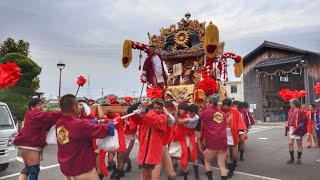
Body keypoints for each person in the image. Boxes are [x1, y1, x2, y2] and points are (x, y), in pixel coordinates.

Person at [56, 94, 115, 180]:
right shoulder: (80, 125)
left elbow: (80, 126)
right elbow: (101, 130)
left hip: (67, 165)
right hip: (81, 167)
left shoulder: (59, 122)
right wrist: (110, 125)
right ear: (74, 107)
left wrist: (92, 122)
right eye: (78, 105)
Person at [14, 98, 62, 180]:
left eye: (42, 105)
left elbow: (47, 124)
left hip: (24, 145)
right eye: (39, 105)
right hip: (30, 145)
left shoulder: (30, 115)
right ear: (32, 107)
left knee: (27, 168)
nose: (41, 106)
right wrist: (63, 111)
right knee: (34, 170)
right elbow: (49, 116)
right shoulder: (34, 114)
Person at [137, 98, 167, 180]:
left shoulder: (163, 118)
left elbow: (153, 120)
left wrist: (149, 109)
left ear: (162, 109)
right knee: (144, 176)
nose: (157, 110)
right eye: (155, 108)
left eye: (159, 108)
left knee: (154, 177)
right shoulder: (147, 115)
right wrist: (142, 105)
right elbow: (130, 111)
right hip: (144, 151)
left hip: (155, 152)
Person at [200, 95, 228, 180]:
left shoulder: (206, 112)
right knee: (222, 165)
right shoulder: (222, 113)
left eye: (207, 102)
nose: (206, 104)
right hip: (223, 140)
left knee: (207, 161)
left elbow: (199, 119)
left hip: (213, 140)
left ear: (211, 103)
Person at [222, 98, 247, 178]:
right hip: (224, 135)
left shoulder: (235, 111)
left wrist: (242, 133)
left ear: (230, 105)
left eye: (227, 106)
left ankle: (233, 166)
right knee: (226, 154)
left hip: (233, 134)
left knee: (235, 155)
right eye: (224, 105)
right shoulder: (220, 112)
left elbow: (240, 121)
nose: (225, 107)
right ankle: (231, 170)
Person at [174, 103, 200, 180]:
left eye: (193, 113)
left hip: (190, 134)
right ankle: (186, 177)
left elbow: (178, 122)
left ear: (196, 113)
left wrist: (176, 110)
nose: (191, 114)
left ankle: (196, 176)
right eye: (190, 112)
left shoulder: (195, 118)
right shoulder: (187, 113)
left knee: (193, 155)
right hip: (183, 135)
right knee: (183, 155)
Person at [151, 101, 176, 180]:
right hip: (161, 146)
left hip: (161, 146)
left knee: (156, 170)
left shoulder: (167, 119)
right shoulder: (157, 116)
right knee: (170, 172)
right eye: (156, 108)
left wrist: (165, 111)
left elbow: (171, 119)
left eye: (160, 108)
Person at [285, 99, 309, 164]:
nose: (290, 104)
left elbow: (305, 121)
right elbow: (289, 120)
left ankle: (299, 159)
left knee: (299, 144)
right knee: (290, 143)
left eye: (291, 103)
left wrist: (299, 126)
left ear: (294, 104)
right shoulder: (290, 111)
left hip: (298, 129)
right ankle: (291, 158)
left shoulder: (301, 111)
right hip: (291, 129)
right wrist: (287, 124)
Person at [314, 98, 320, 162]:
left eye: (319, 102)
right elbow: (317, 119)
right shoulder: (318, 110)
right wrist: (316, 124)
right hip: (319, 129)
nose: (318, 103)